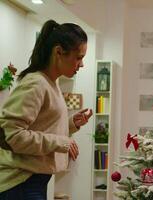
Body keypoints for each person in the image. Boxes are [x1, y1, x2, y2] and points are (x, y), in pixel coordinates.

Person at [0, 19, 93, 200]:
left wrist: (70, 124)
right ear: (59, 52)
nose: (81, 65)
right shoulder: (36, 83)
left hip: (31, 182)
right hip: (20, 184)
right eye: (79, 57)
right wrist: (60, 142)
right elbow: (9, 134)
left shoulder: (51, 83)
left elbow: (40, 126)